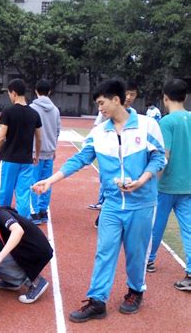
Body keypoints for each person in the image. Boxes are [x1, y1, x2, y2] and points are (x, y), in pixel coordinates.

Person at [33, 79, 165, 322]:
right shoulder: (99, 132)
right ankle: (97, 301)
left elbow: (158, 159)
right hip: (113, 205)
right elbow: (79, 159)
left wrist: (142, 180)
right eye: (97, 105)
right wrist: (50, 180)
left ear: (117, 99)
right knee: (104, 252)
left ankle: (135, 292)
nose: (100, 109)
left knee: (136, 254)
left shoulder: (147, 125)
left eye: (102, 103)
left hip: (142, 203)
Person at [147, 79, 191, 291]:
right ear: (186, 97)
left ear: (165, 97)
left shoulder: (166, 122)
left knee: (156, 225)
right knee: (189, 230)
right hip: (188, 185)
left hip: (166, 185)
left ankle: (150, 259)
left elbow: (164, 156)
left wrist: (152, 180)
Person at [88, 80, 140, 229]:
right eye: (128, 93)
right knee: (110, 189)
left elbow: (158, 158)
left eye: (133, 94)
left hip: (131, 174)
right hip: (110, 159)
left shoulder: (140, 120)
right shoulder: (105, 113)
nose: (129, 97)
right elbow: (97, 132)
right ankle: (104, 213)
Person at [0, 78, 42, 218]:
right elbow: (39, 137)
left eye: (9, 94)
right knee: (23, 194)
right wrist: (36, 154)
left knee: (4, 192)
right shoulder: (34, 114)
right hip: (26, 160)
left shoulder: (9, 112)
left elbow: (1, 137)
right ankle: (23, 224)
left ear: (14, 93)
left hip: (9, 159)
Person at [29, 79, 61, 224]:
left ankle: (34, 213)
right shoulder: (55, 110)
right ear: (49, 92)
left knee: (33, 182)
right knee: (47, 182)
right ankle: (43, 211)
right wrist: (54, 147)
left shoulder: (32, 108)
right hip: (49, 151)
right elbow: (57, 130)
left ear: (36, 91)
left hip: (35, 152)